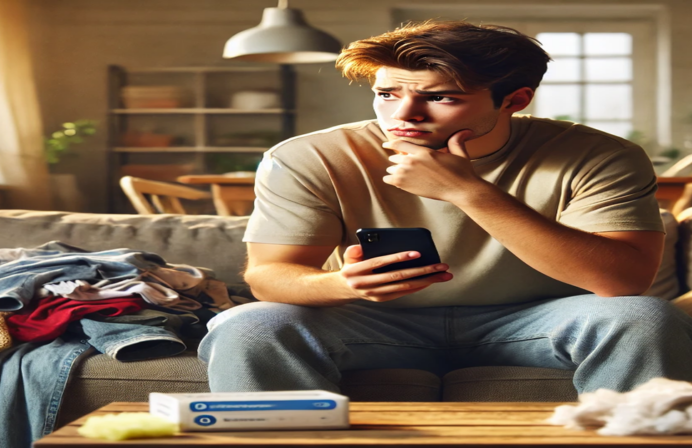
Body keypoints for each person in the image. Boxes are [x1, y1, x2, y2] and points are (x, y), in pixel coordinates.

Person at [198, 21, 692, 394]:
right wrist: (340, 284)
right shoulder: (311, 156)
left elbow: (623, 282)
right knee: (248, 325)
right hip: (373, 319)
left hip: (537, 318)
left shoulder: (599, 155)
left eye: (439, 98)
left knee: (644, 319)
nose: (404, 115)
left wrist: (468, 192)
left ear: (514, 100)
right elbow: (269, 276)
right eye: (386, 94)